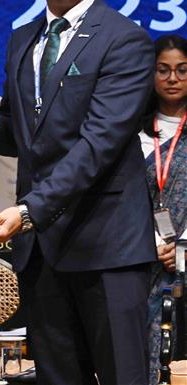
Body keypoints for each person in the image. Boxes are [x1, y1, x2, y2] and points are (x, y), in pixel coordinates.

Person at [0, 0, 156, 384]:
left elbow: (99, 143)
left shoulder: (125, 40)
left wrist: (28, 210)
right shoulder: (21, 40)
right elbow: (21, 130)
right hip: (42, 251)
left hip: (107, 246)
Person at [139, 34, 187, 384]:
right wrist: (151, 241)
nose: (173, 79)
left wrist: (183, 247)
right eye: (164, 70)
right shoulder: (128, 131)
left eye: (183, 71)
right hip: (140, 257)